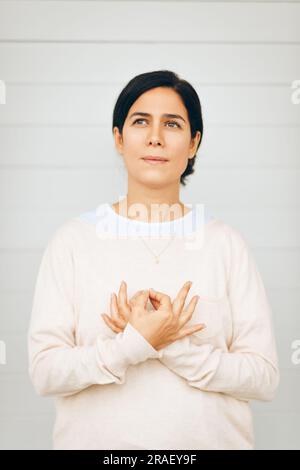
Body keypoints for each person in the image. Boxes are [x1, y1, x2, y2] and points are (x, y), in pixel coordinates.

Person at [28, 70, 279, 450]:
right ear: (118, 137)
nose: (155, 137)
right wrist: (132, 345)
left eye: (173, 124)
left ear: (194, 143)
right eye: (140, 121)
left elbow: (264, 377)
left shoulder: (226, 244)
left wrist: (169, 345)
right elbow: (45, 373)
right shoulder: (73, 242)